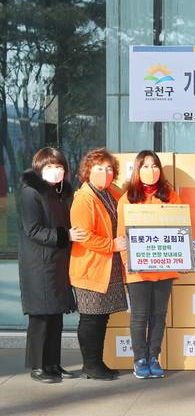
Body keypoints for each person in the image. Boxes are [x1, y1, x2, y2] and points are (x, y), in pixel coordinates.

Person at [16, 147, 86, 383]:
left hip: (57, 263)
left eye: (59, 166)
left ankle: (53, 364)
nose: (55, 171)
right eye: (50, 166)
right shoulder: (31, 193)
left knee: (56, 316)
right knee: (40, 317)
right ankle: (38, 366)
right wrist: (66, 235)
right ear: (39, 168)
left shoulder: (60, 193)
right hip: (38, 265)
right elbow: (33, 230)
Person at [117, 150, 181, 379]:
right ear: (137, 169)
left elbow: (181, 229)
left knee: (159, 315)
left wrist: (179, 257)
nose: (151, 170)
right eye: (145, 166)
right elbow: (122, 236)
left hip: (164, 267)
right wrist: (128, 263)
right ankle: (139, 359)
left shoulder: (170, 196)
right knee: (139, 315)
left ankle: (154, 357)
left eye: (154, 166)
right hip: (138, 269)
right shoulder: (128, 198)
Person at [69, 148, 128, 381]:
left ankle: (97, 363)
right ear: (88, 171)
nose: (105, 173)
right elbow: (84, 236)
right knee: (91, 317)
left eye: (109, 168)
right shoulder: (84, 199)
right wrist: (112, 245)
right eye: (99, 168)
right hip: (90, 267)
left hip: (108, 267)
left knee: (101, 316)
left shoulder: (112, 192)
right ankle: (91, 365)